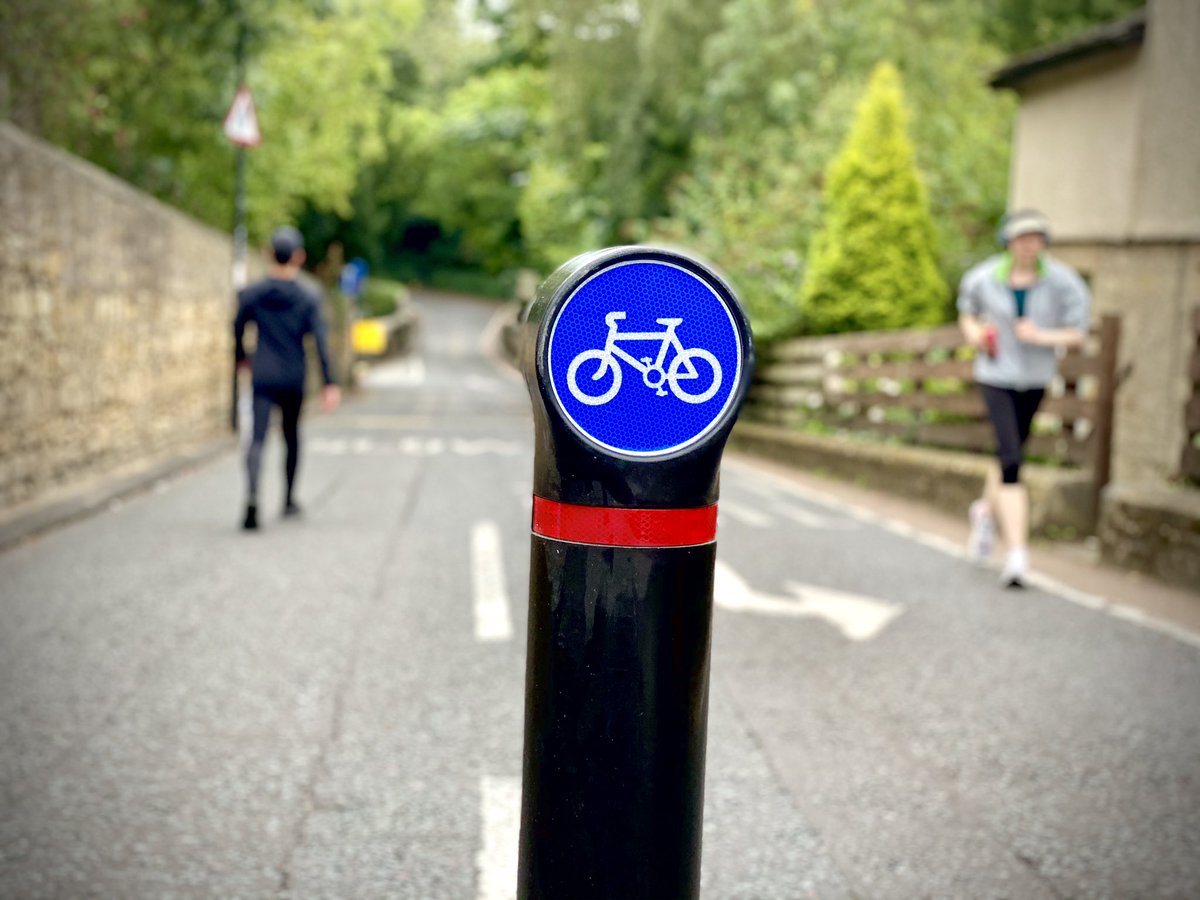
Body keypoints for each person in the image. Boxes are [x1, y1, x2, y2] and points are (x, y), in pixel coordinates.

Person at [956, 210, 1090, 587]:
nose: (1029, 245)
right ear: (1009, 242)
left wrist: (1041, 336)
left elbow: (1077, 332)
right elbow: (967, 314)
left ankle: (984, 513)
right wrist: (975, 335)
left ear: (1044, 242)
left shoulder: (1064, 282)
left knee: (1009, 454)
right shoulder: (983, 277)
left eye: (1035, 238)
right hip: (995, 375)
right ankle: (1017, 554)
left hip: (1034, 378)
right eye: (1021, 238)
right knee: (1012, 460)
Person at [234, 226, 340, 530]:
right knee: (291, 436)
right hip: (294, 375)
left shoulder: (253, 293)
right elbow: (320, 341)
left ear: (269, 254)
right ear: (299, 257)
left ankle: (252, 495)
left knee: (257, 438)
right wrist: (330, 382)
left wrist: (242, 358)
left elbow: (237, 328)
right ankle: (289, 499)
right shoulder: (308, 296)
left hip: (263, 374)